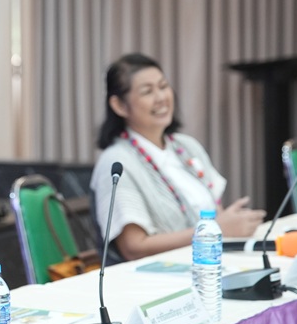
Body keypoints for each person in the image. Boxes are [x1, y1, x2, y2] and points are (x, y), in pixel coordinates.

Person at [90, 53, 265, 262]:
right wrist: (216, 229)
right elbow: (133, 248)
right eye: (147, 91)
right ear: (119, 105)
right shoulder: (116, 161)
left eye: (163, 86)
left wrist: (229, 224)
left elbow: (217, 214)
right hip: (158, 275)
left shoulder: (187, 146)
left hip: (208, 264)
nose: (161, 98)